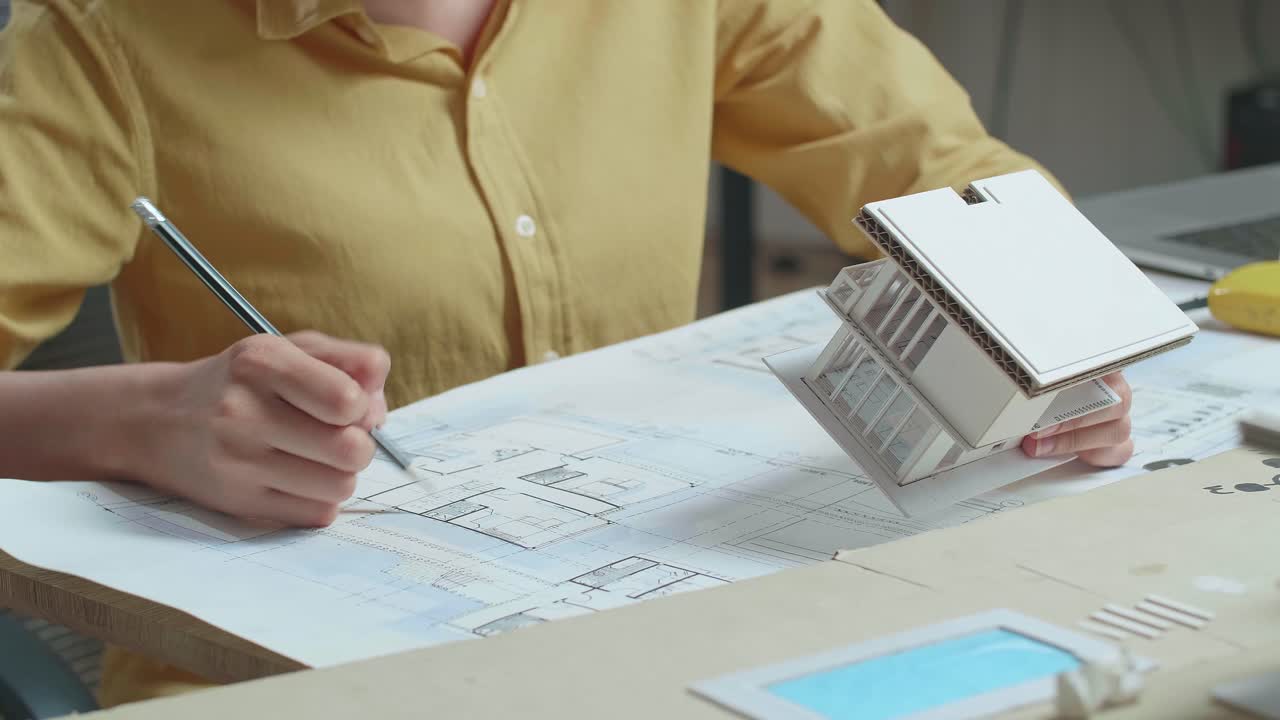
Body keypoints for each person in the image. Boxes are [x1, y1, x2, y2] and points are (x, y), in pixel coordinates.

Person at [0, 0, 1135, 707]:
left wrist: (1052, 349)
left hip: (671, 616)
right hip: (306, 675)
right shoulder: (101, 37)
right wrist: (137, 421)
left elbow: (948, 176)